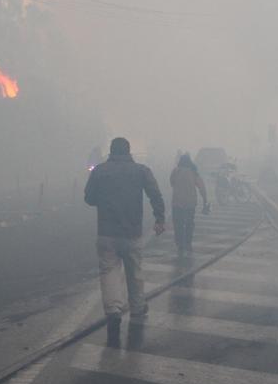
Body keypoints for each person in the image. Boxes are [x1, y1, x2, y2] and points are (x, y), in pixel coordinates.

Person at [84, 137, 166, 344]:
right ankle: (137, 307)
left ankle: (113, 311)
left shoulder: (99, 171)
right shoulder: (141, 171)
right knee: (134, 271)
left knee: (109, 272)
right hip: (132, 232)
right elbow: (155, 194)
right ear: (129, 151)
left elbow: (89, 198)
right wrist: (159, 217)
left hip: (106, 233)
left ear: (110, 151)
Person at [169, 153, 208, 257]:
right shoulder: (193, 172)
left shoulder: (175, 171)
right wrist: (205, 201)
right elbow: (202, 188)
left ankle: (180, 244)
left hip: (177, 202)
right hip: (190, 203)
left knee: (178, 224)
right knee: (189, 223)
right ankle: (188, 243)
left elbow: (171, 183)